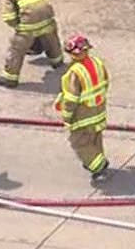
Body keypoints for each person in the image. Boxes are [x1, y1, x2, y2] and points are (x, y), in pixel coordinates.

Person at [54, 34, 111, 184]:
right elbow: (105, 82)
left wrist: (67, 116)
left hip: (83, 113)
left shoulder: (75, 72)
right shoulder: (97, 62)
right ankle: (98, 160)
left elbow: (72, 99)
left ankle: (98, 167)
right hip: (98, 109)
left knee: (79, 141)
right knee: (94, 138)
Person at [0, 0, 64, 88]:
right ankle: (57, 61)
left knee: (16, 50)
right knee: (52, 40)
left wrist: (17, 26)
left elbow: (9, 17)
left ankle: (10, 79)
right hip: (47, 17)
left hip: (29, 24)